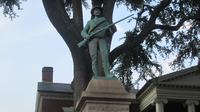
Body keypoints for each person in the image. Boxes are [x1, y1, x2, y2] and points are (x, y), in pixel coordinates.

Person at [81, 6, 116, 78]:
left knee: (105, 55)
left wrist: (108, 30)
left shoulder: (104, 21)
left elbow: (110, 33)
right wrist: (86, 35)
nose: (97, 11)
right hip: (92, 40)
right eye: (95, 10)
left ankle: (107, 74)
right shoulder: (90, 22)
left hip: (102, 39)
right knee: (94, 57)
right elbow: (83, 32)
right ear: (93, 12)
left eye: (98, 10)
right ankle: (96, 75)